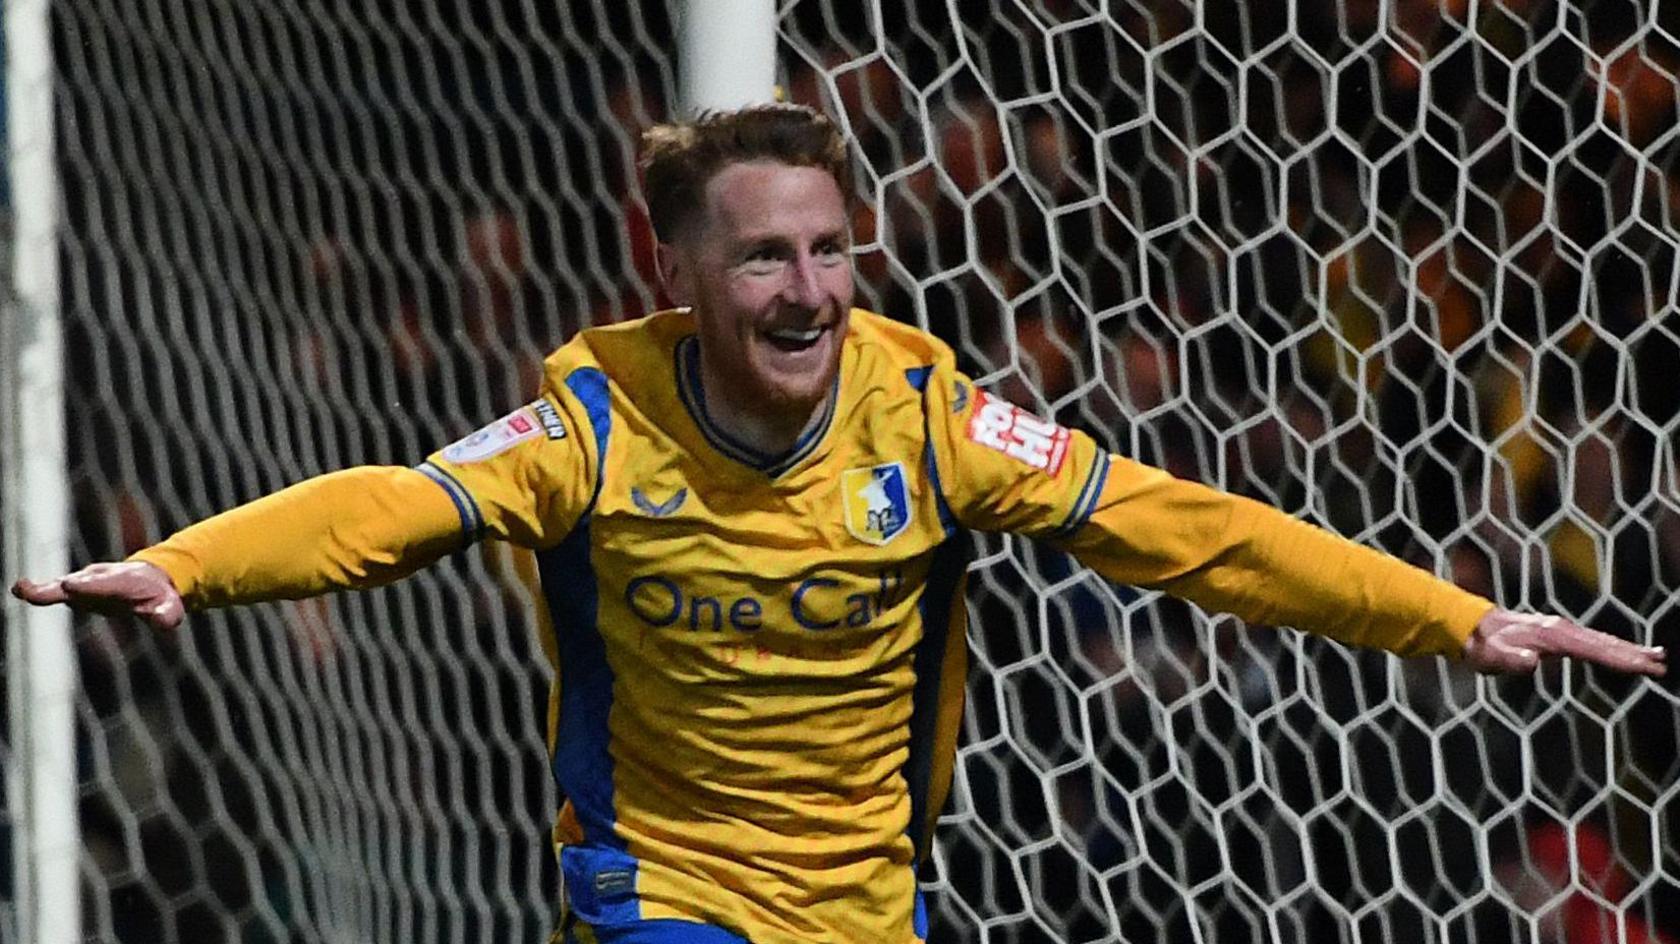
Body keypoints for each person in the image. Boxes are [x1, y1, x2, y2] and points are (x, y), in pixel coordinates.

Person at [13, 104, 1667, 944]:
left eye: (829, 251)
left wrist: (1453, 616)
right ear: (677, 276)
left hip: (876, 894)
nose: (808, 290)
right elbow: (397, 506)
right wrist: (188, 563)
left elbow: (1195, 532)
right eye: (762, 259)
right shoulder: (592, 421)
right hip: (659, 881)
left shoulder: (933, 416)